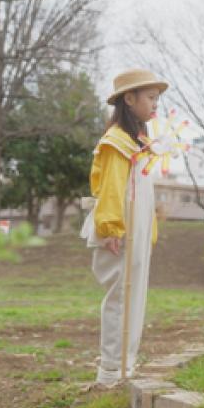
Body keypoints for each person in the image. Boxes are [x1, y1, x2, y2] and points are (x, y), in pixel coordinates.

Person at [80, 69, 167, 385]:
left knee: (134, 298)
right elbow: (111, 187)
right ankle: (112, 373)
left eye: (157, 98)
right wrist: (111, 226)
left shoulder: (138, 142)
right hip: (121, 229)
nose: (155, 104)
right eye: (150, 98)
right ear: (129, 99)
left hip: (136, 228)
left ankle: (125, 367)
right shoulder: (116, 142)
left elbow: (142, 190)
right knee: (121, 298)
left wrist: (149, 228)